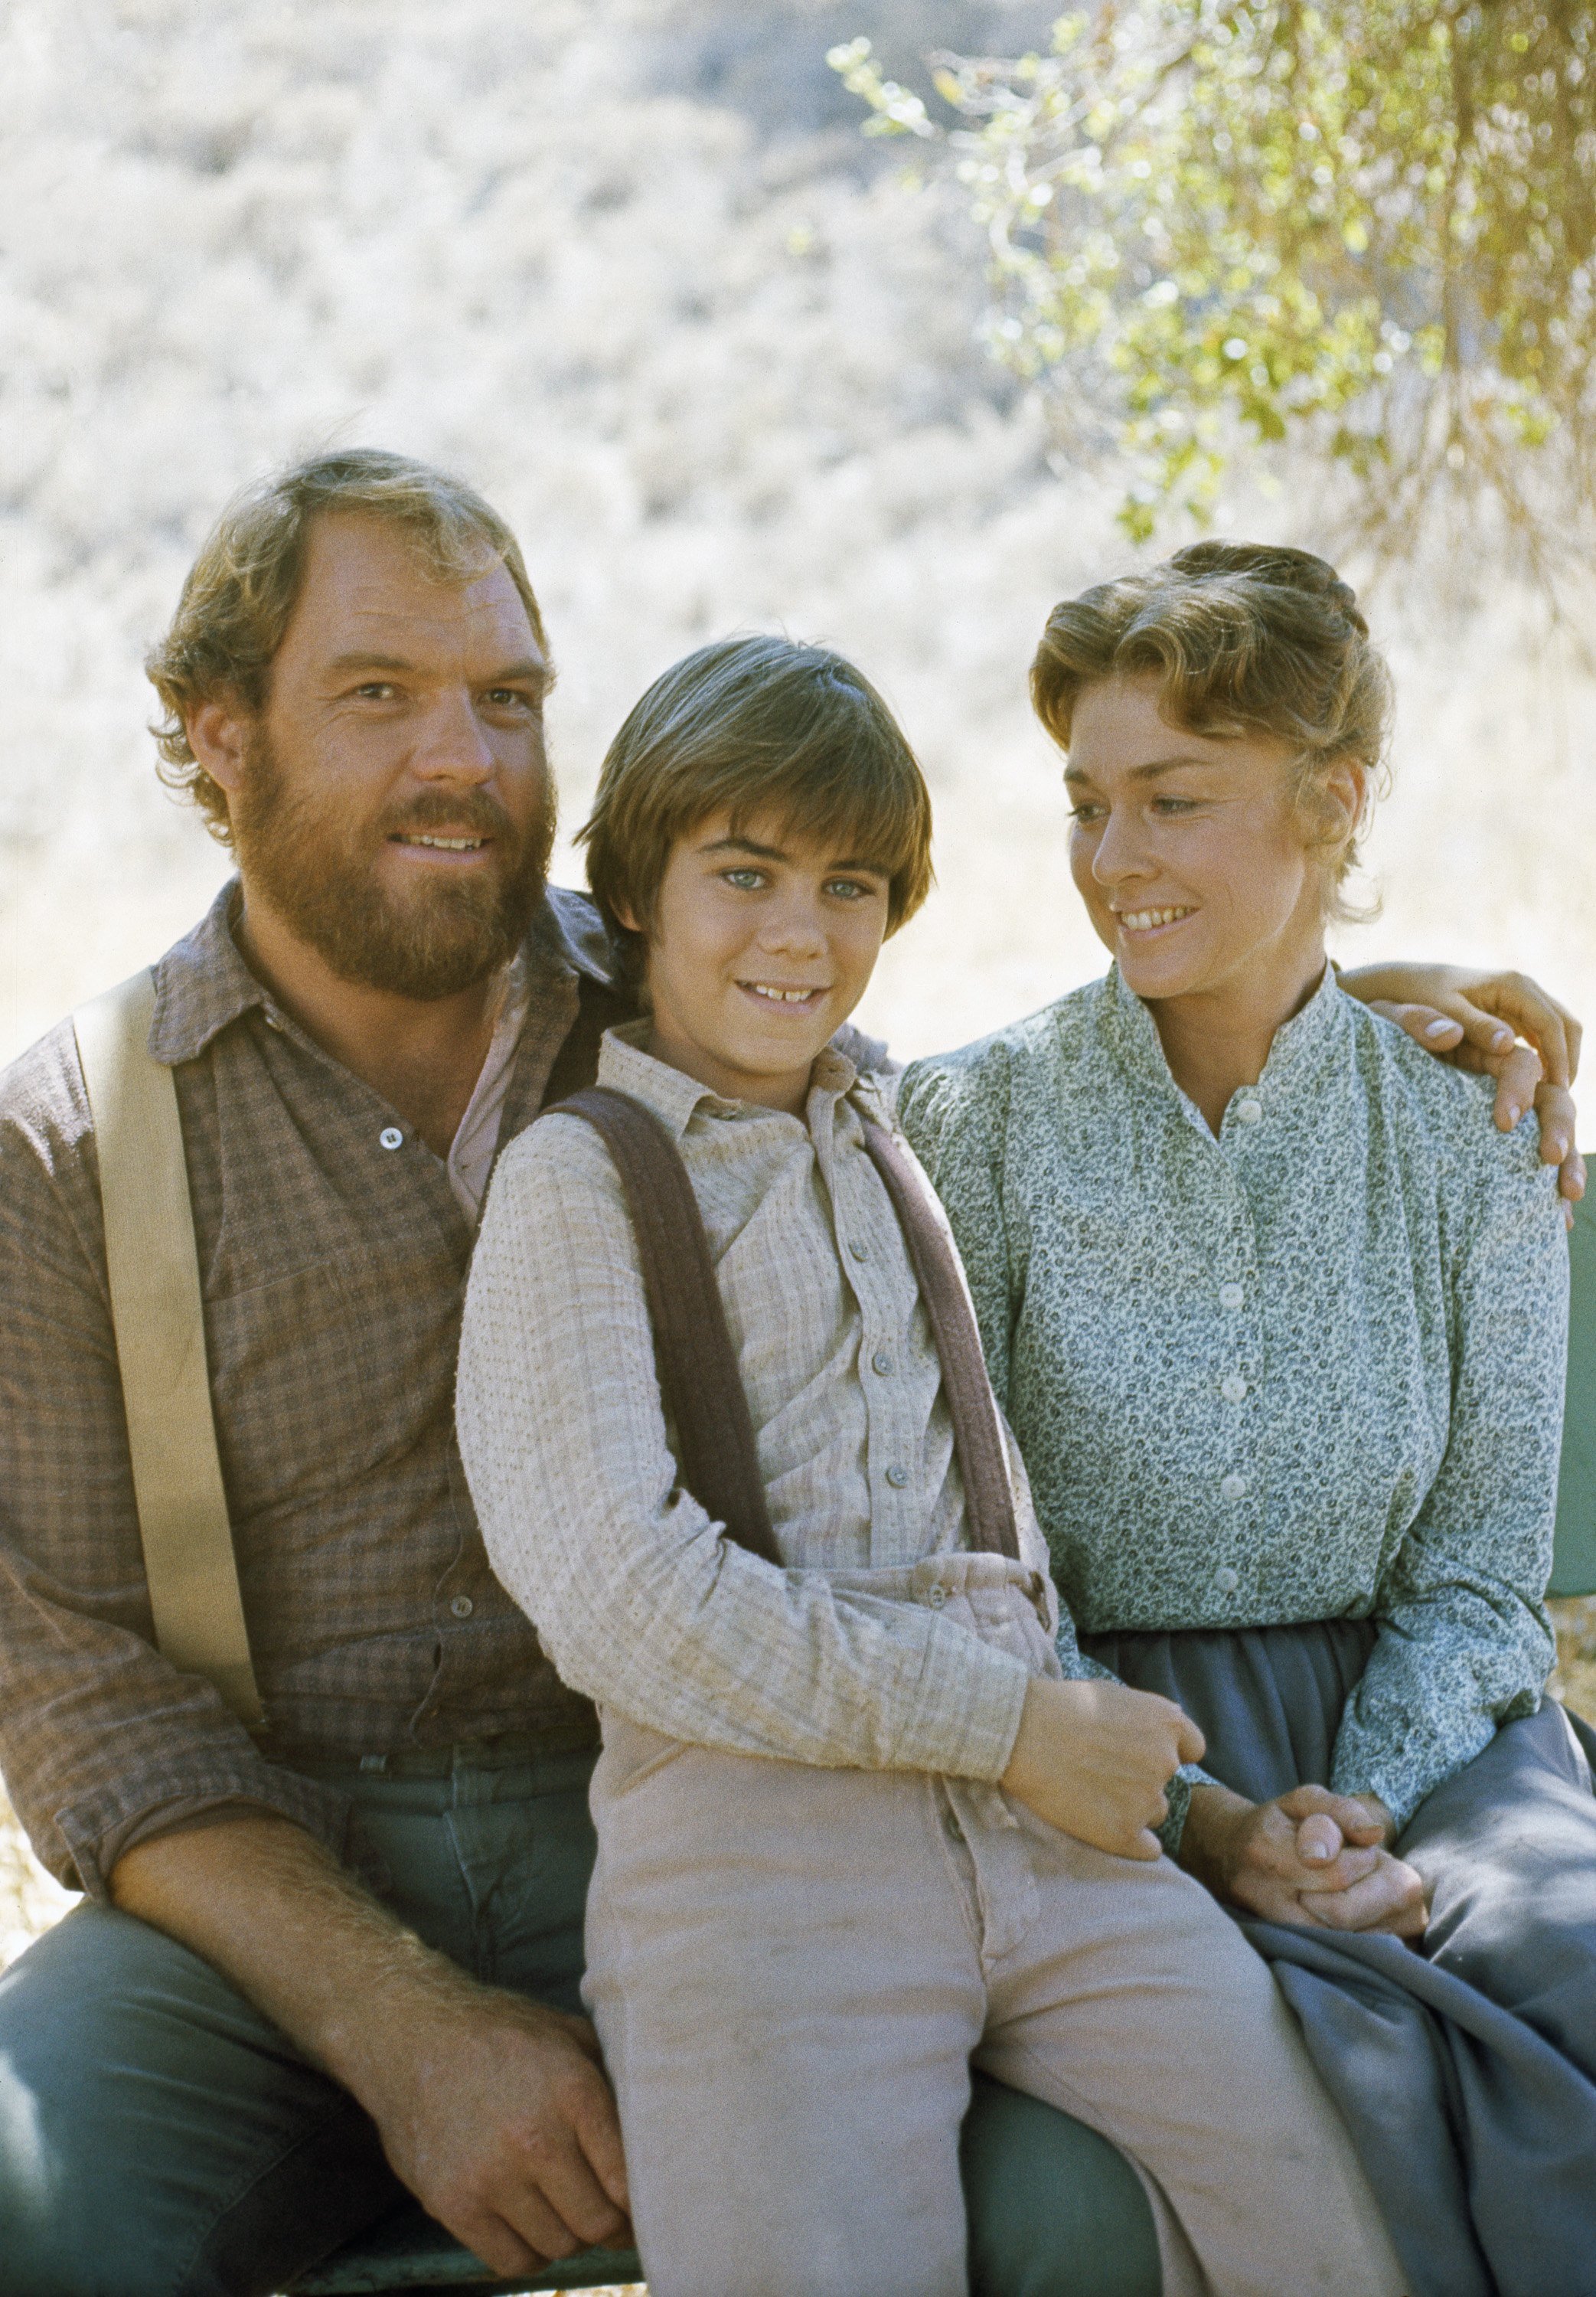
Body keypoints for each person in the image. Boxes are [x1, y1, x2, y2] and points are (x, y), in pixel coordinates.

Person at [0, 447, 1565, 2297]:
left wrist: (1335, 1001)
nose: (461, 756)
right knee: (36, 2209)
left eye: (506, 699)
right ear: (218, 736)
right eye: (378, 694)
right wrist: (396, 2024)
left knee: (1092, 2207)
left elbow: (974, 1062)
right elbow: (79, 1690)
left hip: (792, 1776)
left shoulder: (692, 1002)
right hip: (311, 1867)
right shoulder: (79, 1140)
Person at [455, 632, 1409, 2297]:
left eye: (847, 887)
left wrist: (1193, 1818)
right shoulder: (576, 1184)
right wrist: (1016, 1730)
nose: (797, 933)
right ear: (631, 896)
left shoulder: (891, 1126)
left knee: (1332, 2223)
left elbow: (1149, 1045)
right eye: (740, 873)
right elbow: (620, 1599)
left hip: (1048, 1847)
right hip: (763, 1876)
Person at [899, 541, 1596, 2294]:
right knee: (1286, 2080)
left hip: (1431, 1734)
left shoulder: (1469, 1137)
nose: (1111, 863)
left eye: (1171, 801)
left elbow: (1478, 1573)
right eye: (1082, 805)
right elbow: (974, 1550)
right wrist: (1220, 1822)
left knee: (1576, 1970)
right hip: (1092, 1748)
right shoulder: (973, 1129)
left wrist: (1340, 1813)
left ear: (1329, 799)